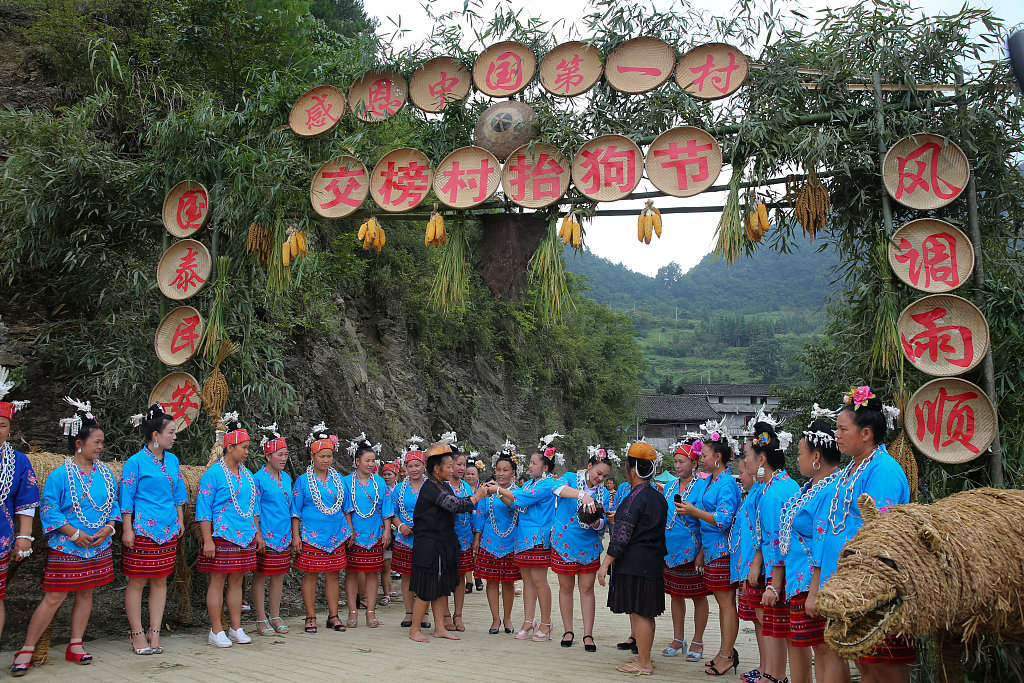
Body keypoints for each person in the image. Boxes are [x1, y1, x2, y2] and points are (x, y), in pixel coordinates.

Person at [812, 386, 912, 683]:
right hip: (848, 585)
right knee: (867, 664)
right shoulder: (849, 471)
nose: (837, 435)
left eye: (843, 429)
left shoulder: (883, 471)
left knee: (884, 666)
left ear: (866, 434)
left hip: (873, 588)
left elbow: (878, 533)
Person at [12, 399, 118, 676]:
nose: (99, 446)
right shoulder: (61, 474)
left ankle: (76, 644)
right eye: (95, 441)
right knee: (54, 598)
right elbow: (48, 509)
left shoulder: (106, 474)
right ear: (78, 443)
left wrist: (109, 527)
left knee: (86, 594)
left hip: (98, 544)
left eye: (101, 442)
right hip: (67, 546)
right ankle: (26, 648)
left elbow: (114, 506)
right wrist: (74, 532)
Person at [493, 436, 597, 643]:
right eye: (530, 462)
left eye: (534, 463)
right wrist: (498, 493)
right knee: (528, 581)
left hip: (538, 539)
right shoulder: (530, 483)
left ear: (545, 467)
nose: (530, 466)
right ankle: (528, 620)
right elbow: (515, 504)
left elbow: (521, 498)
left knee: (540, 582)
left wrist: (496, 489)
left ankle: (546, 622)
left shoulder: (547, 484)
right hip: (522, 538)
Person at [781, 413, 846, 683]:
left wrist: (816, 590)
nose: (798, 459)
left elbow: (823, 543)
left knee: (825, 649)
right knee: (816, 648)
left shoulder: (831, 490)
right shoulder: (813, 487)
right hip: (800, 580)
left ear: (816, 457)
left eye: (801, 452)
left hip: (814, 582)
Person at [407, 442, 495, 642]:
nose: (452, 469)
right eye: (448, 466)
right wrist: (478, 495)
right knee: (426, 587)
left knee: (440, 587)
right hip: (429, 544)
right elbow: (455, 505)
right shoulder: (430, 487)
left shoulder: (442, 485)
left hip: (443, 542)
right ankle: (415, 629)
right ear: (436, 469)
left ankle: (439, 627)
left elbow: (458, 500)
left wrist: (475, 495)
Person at [120, 405, 187, 655]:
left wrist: (180, 519)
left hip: (168, 529)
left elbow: (178, 493)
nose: (174, 436)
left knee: (160, 581)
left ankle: (155, 631)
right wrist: (127, 529)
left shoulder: (173, 460)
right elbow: (126, 499)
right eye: (170, 432)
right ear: (155, 435)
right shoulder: (134, 463)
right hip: (143, 530)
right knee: (137, 581)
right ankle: (137, 632)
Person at [597, 441, 667, 676]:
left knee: (640, 612)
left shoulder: (634, 497)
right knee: (645, 612)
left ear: (632, 469)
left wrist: (604, 564)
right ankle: (645, 656)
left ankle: (644, 663)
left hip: (637, 562)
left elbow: (622, 537)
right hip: (652, 561)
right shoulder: (657, 495)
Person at [196, 413, 264, 648]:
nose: (246, 452)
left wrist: (256, 533)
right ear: (230, 446)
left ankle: (235, 627)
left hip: (244, 536)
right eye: (243, 447)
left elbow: (252, 506)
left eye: (247, 447)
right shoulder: (213, 474)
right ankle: (216, 630)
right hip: (221, 536)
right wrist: (207, 540)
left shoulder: (247, 475)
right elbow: (203, 510)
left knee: (237, 582)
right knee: (217, 582)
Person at [679, 431, 741, 676]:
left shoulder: (726, 483)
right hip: (712, 549)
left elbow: (723, 520)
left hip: (723, 550)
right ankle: (724, 651)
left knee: (727, 605)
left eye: (704, 455)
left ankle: (727, 654)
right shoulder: (712, 480)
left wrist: (694, 511)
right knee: (722, 603)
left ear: (718, 456)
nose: (700, 458)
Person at [748, 422, 800, 683]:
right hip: (776, 569)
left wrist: (774, 584)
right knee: (776, 626)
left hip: (782, 572)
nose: (747, 460)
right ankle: (773, 675)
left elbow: (780, 540)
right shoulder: (775, 486)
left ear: (762, 458)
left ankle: (775, 676)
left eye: (749, 455)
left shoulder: (776, 492)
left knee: (780, 627)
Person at [550, 445, 615, 652]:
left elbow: (602, 523)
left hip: (588, 545)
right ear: (589, 466)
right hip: (564, 543)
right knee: (565, 588)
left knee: (587, 589)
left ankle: (588, 634)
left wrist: (596, 521)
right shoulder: (570, 478)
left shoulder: (603, 493)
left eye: (604, 476)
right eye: (598, 473)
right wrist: (581, 495)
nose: (600, 479)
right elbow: (556, 489)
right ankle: (568, 630)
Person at [291, 423, 352, 634]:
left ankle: (333, 616)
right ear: (312, 456)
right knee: (311, 575)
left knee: (334, 575)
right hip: (311, 536)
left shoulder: (338, 480)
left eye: (329, 456)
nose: (326, 460)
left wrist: (349, 531)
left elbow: (346, 509)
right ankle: (310, 616)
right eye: (321, 456)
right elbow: (295, 511)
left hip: (336, 535)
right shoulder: (302, 481)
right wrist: (296, 536)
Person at [0, 367, 40, 651]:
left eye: (2, 424)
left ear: (10, 428)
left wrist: (24, 536)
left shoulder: (19, 461)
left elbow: (25, 500)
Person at [661, 441, 710, 662]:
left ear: (694, 462)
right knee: (675, 595)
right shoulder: (669, 487)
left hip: (693, 551)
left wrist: (702, 552)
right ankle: (678, 637)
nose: (678, 466)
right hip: (670, 551)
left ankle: (698, 640)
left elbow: (707, 522)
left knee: (698, 596)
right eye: (675, 462)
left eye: (682, 462)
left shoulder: (704, 486)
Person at [343, 436, 393, 629]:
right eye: (367, 461)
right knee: (352, 573)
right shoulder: (346, 482)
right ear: (357, 461)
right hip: (354, 535)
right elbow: (345, 509)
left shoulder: (379, 483)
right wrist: (350, 530)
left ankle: (371, 611)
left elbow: (387, 508)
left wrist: (387, 530)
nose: (371, 464)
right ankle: (353, 611)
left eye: (373, 461)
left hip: (375, 534)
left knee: (373, 573)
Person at [251, 424, 293, 637]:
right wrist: (258, 534)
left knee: (278, 576)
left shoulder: (286, 478)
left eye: (285, 454)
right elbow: (255, 509)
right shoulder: (258, 478)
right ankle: (260, 617)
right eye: (279, 454)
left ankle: (275, 615)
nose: (283, 458)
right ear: (268, 455)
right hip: (266, 535)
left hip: (284, 534)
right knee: (261, 576)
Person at [731, 439, 767, 681]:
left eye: (743, 470)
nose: (741, 475)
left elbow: (765, 532)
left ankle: (771, 671)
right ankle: (766, 667)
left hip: (760, 569)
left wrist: (755, 564)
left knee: (766, 623)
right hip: (749, 566)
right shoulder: (756, 492)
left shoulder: (767, 491)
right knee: (759, 621)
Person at [473, 451, 520, 634]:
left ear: (513, 473)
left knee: (508, 582)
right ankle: (495, 619)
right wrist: (477, 538)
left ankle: (507, 618)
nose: (501, 474)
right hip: (490, 541)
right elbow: (480, 516)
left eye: (505, 470)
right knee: (491, 582)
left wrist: (499, 492)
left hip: (512, 542)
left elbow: (517, 506)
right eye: (498, 470)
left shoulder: (518, 493)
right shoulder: (486, 491)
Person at [392, 438, 428, 629]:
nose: (414, 469)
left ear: (424, 466)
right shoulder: (399, 488)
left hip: (426, 537)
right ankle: (409, 611)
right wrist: (400, 526)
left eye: (418, 465)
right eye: (411, 465)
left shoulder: (431, 486)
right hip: (405, 538)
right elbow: (393, 513)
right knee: (407, 575)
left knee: (425, 575)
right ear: (405, 467)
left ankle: (424, 612)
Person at [445, 450, 474, 630]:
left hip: (464, 537)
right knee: (445, 576)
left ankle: (458, 615)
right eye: (458, 464)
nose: (462, 468)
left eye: (464, 464)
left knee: (461, 577)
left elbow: (473, 514)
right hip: (446, 537)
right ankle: (446, 615)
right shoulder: (443, 486)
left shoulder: (467, 487)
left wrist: (475, 536)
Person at [463, 455, 484, 592]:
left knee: (476, 551)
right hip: (464, 523)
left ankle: (477, 576)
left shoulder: (482, 490)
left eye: (473, 474)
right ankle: (468, 581)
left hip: (478, 522)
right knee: (465, 552)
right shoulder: (461, 488)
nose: (470, 477)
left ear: (478, 475)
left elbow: (483, 509)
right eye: (467, 474)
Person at [380, 460, 400, 601]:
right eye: (384, 474)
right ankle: (387, 592)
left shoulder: (400, 490)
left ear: (396, 475)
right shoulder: (380, 489)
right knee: (386, 564)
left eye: (389, 474)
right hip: (386, 528)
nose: (387, 477)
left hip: (398, 529)